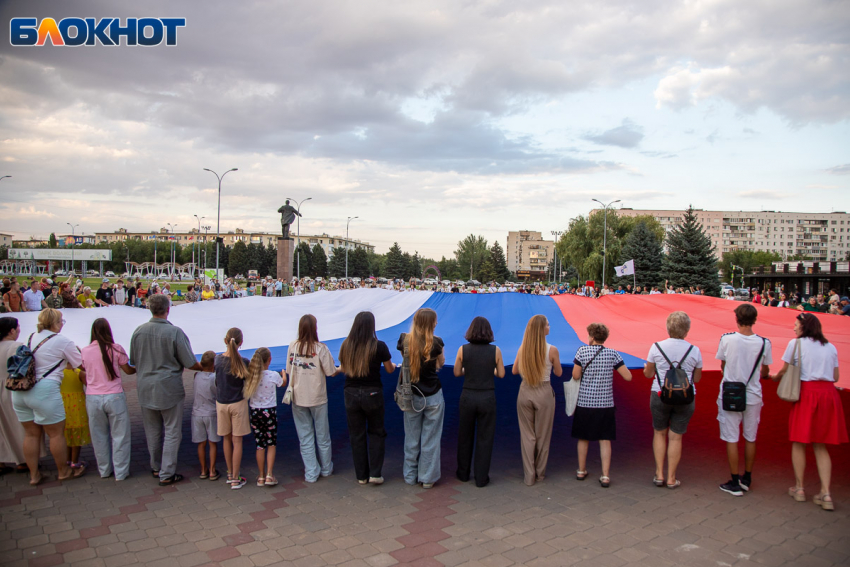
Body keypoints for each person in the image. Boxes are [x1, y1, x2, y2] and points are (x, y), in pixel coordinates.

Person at [771, 313, 847, 510]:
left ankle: (800, 488)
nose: (794, 328)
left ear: (804, 327)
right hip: (828, 395)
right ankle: (826, 493)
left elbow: (784, 370)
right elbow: (835, 376)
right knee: (821, 445)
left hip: (806, 394)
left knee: (799, 442)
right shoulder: (830, 347)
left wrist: (774, 377)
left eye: (796, 324)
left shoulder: (796, 344)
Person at [130, 294, 201, 486]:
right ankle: (167, 472)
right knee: (172, 431)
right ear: (168, 310)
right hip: (169, 388)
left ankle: (156, 466)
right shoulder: (175, 332)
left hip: (145, 387)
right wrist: (206, 368)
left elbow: (134, 360)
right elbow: (189, 362)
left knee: (152, 430)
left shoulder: (139, 332)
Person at [11, 309, 85, 484]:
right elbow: (81, 364)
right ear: (55, 323)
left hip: (21, 389)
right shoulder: (62, 341)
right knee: (56, 434)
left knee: (31, 435)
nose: (62, 325)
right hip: (45, 390)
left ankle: (34, 475)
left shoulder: (29, 338)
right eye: (61, 321)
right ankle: (63, 471)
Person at [715, 303, 773, 497]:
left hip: (731, 393)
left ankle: (734, 481)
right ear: (754, 319)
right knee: (750, 437)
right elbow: (765, 371)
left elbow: (723, 365)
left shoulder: (727, 339)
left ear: (737, 319)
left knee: (731, 437)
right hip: (753, 394)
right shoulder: (764, 343)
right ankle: (747, 477)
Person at [643, 312, 703, 489]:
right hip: (685, 398)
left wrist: (648, 369)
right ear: (687, 330)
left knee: (659, 433)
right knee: (676, 437)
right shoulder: (694, 350)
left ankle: (659, 474)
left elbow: (648, 374)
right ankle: (671, 478)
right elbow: (697, 379)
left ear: (668, 328)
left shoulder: (656, 347)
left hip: (660, 395)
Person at [338, 312, 394, 485]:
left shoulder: (346, 345)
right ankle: (375, 473)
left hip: (351, 393)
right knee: (377, 432)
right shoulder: (379, 346)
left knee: (357, 435)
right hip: (373, 393)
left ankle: (361, 476)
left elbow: (344, 368)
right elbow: (390, 369)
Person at [571, 323, 631, 487]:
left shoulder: (582, 351)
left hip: (585, 402)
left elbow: (575, 375)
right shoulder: (613, 354)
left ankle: (581, 470)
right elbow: (628, 376)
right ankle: (605, 475)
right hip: (605, 404)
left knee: (583, 437)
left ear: (591, 337)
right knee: (605, 439)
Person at [80, 318, 135, 480]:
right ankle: (121, 472)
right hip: (114, 396)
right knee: (120, 436)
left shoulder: (85, 351)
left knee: (98, 436)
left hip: (93, 397)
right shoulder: (116, 349)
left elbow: (83, 370)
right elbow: (128, 370)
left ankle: (104, 470)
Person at [453, 317, 505, 487]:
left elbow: (457, 372)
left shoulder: (463, 349)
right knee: (485, 437)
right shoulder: (496, 350)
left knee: (465, 436)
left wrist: (468, 369)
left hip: (468, 395)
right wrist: (490, 369)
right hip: (487, 396)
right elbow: (501, 374)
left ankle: (463, 473)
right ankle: (481, 478)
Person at [397, 308, 445, 488]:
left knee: (411, 438)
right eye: (435, 320)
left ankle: (410, 476)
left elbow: (406, 361)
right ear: (430, 323)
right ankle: (427, 478)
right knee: (430, 439)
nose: (437, 323)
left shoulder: (404, 340)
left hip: (411, 395)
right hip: (433, 395)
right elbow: (440, 363)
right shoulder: (437, 343)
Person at [288, 315, 338, 483]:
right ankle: (326, 468)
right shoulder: (321, 348)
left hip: (298, 396)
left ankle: (311, 472)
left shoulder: (293, 346)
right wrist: (341, 368)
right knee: (323, 436)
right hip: (318, 397)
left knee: (305, 437)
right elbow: (331, 371)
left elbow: (289, 369)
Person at [512, 315, 562, 486]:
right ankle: (540, 473)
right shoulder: (552, 350)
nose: (549, 326)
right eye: (547, 324)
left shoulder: (522, 348)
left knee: (527, 435)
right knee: (543, 435)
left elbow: (514, 371)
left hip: (525, 390)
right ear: (541, 329)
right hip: (544, 392)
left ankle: (529, 476)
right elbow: (558, 373)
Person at [215, 328, 251, 490]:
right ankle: (236, 478)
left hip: (222, 403)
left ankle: (230, 473)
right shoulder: (244, 362)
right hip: (238, 403)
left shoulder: (217, 360)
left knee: (226, 439)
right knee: (237, 441)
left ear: (225, 340)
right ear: (241, 342)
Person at [243, 347, 285, 487]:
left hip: (255, 412)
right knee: (271, 444)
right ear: (270, 360)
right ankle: (269, 475)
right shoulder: (273, 375)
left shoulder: (251, 376)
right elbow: (283, 383)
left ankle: (260, 476)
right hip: (269, 412)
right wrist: (284, 374)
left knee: (260, 445)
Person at [0, 318, 35, 474]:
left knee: (1, 427)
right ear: (12, 330)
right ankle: (23, 460)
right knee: (18, 425)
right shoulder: (17, 347)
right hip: (12, 388)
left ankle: (2, 461)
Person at [192, 351, 220, 481]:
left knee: (201, 444)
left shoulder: (196, 375)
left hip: (197, 413)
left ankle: (203, 470)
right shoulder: (215, 378)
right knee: (212, 443)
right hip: (211, 413)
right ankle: (212, 471)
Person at [60, 367, 91, 470]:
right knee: (76, 432)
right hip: (77, 404)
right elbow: (90, 386)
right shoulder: (79, 372)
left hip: (62, 403)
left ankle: (67, 459)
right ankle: (75, 461)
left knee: (66, 432)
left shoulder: (59, 372)